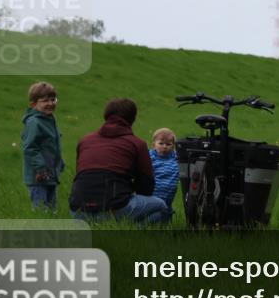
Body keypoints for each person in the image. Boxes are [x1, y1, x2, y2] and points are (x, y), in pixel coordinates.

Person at [69, 98, 169, 224]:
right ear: (132, 118)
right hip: (115, 207)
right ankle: (129, 234)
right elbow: (146, 188)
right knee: (162, 207)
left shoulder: (84, 141)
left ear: (106, 116)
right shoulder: (137, 144)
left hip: (78, 211)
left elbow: (82, 175)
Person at [21, 81, 65, 212]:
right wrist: (40, 169)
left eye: (53, 99)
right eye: (45, 101)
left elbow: (52, 145)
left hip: (50, 174)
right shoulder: (34, 122)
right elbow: (30, 148)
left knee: (52, 210)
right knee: (41, 211)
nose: (51, 103)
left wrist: (59, 163)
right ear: (34, 104)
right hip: (38, 176)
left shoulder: (49, 119)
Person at [149, 127, 179, 222]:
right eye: (161, 143)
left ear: (173, 146)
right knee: (153, 214)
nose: (164, 146)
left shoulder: (176, 157)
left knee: (166, 214)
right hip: (153, 194)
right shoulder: (150, 157)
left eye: (168, 144)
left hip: (169, 195)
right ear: (154, 145)